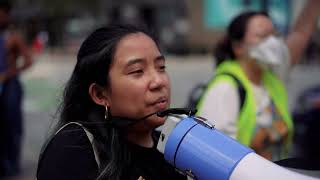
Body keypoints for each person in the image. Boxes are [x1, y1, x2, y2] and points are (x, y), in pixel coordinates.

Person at [36, 24, 187, 180]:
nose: (158, 81)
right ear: (100, 94)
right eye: (137, 71)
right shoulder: (73, 149)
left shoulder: (173, 150)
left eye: (161, 67)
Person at [196, 0, 320, 161]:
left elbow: (301, 33)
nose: (273, 43)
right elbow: (212, 156)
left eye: (274, 35)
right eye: (262, 36)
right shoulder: (225, 88)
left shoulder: (271, 77)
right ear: (238, 47)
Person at [0, 0, 33, 177]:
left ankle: (11, 165)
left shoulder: (13, 38)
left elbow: (29, 61)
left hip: (10, 86)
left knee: (11, 126)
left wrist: (9, 73)